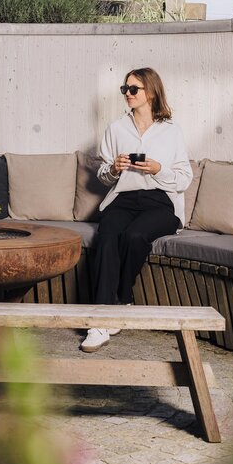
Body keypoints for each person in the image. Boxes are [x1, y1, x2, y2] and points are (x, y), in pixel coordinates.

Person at [81, 67, 192, 353]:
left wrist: (158, 169)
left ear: (151, 92)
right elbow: (103, 176)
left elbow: (184, 179)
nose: (127, 94)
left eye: (133, 89)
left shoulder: (171, 131)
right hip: (124, 198)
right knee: (107, 234)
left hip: (160, 201)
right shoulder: (116, 129)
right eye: (125, 89)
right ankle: (100, 321)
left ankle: (122, 296)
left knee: (135, 236)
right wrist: (113, 169)